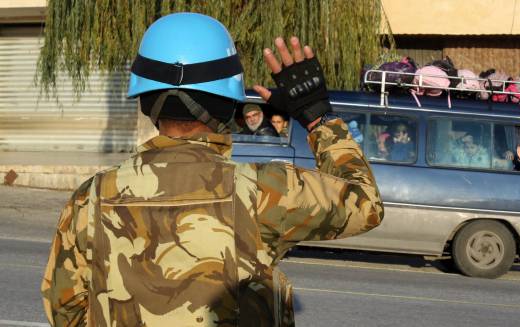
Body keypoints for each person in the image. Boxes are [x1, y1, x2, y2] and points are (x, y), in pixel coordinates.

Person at [41, 13, 383, 327]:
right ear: (228, 99)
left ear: (145, 99)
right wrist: (317, 116)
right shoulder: (266, 190)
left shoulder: (91, 198)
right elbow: (365, 204)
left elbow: (66, 310)